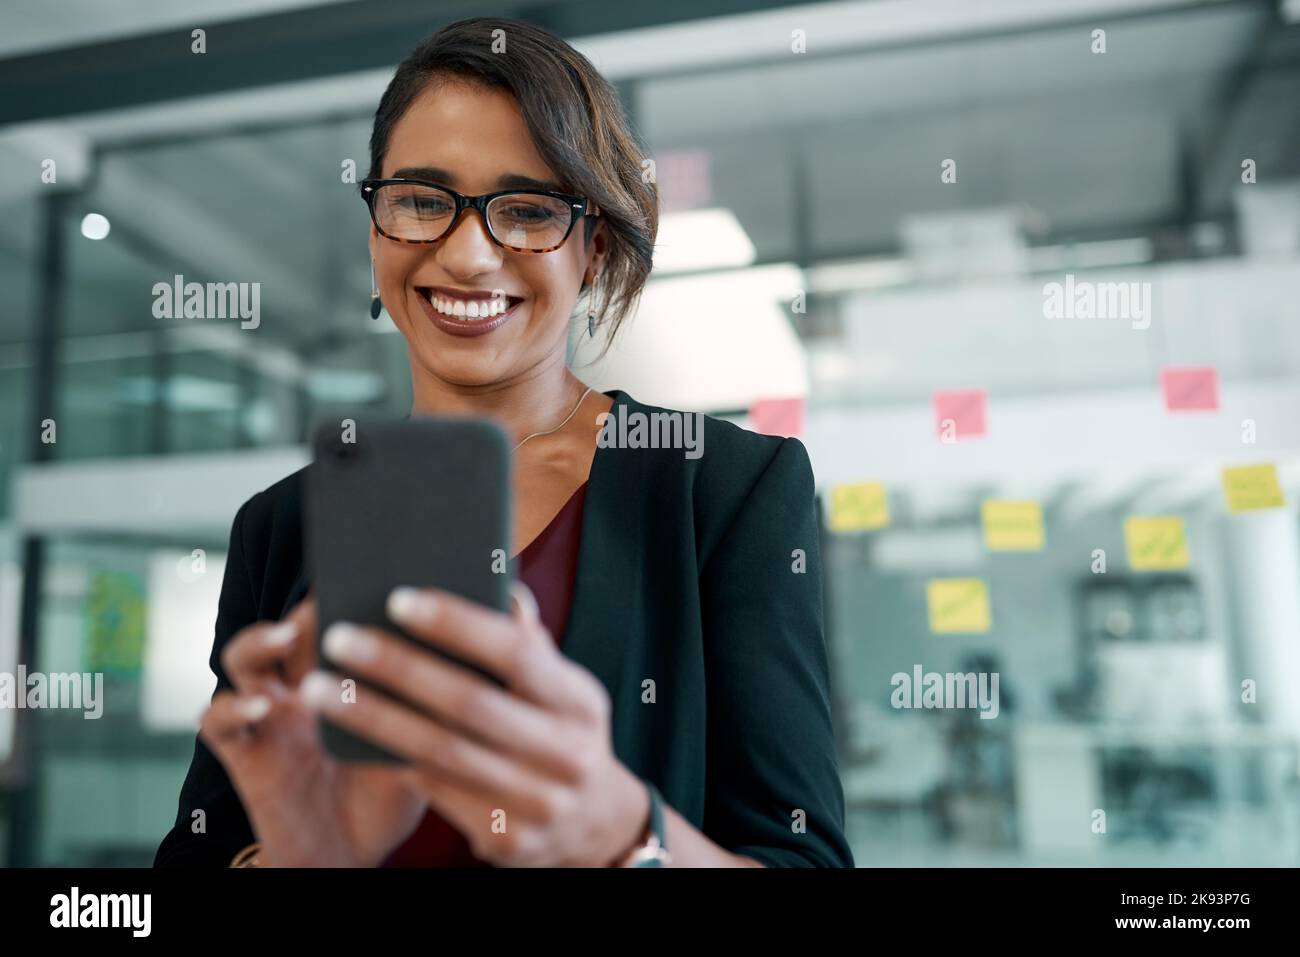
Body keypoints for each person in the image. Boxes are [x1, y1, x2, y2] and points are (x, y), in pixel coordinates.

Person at [154, 16, 852, 868]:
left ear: (593, 248)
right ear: (376, 227)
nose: (469, 254)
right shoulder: (282, 524)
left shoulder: (724, 489)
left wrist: (621, 833)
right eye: (421, 199)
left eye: (525, 211)